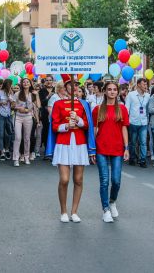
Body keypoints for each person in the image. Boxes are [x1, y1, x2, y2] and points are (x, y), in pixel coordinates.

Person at [47, 74, 96, 223]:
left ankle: (74, 211)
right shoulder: (58, 104)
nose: (73, 87)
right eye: (70, 85)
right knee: (64, 179)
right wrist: (66, 126)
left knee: (78, 179)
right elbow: (54, 126)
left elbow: (88, 125)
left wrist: (80, 121)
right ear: (65, 87)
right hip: (64, 143)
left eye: (76, 85)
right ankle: (63, 211)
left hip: (79, 143)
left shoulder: (84, 104)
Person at [92, 82, 129, 223]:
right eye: (109, 89)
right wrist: (92, 150)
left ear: (118, 92)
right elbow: (94, 130)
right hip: (101, 147)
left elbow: (124, 128)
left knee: (116, 180)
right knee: (104, 181)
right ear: (105, 91)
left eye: (114, 89)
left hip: (118, 148)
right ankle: (106, 209)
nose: (112, 92)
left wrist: (127, 147)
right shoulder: (97, 109)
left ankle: (112, 201)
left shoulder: (122, 109)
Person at [12, 78, 40, 166]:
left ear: (30, 84)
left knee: (27, 138)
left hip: (28, 117)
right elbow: (12, 106)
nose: (25, 83)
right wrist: (19, 108)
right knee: (18, 137)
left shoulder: (33, 94)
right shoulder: (17, 94)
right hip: (18, 117)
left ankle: (26, 157)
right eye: (24, 82)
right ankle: (16, 158)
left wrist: (37, 95)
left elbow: (38, 106)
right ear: (21, 84)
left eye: (27, 82)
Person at [125, 78, 149, 168]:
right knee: (133, 142)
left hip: (143, 122)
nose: (145, 86)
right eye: (144, 84)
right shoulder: (131, 95)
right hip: (133, 122)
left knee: (143, 142)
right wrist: (126, 121)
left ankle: (143, 160)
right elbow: (127, 108)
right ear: (138, 84)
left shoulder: (147, 96)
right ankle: (132, 158)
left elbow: (147, 109)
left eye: (146, 84)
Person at [0, 78, 14, 160]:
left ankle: (7, 149)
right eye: (9, 84)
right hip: (0, 114)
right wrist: (1, 103)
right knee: (1, 133)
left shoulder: (11, 92)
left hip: (8, 114)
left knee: (9, 133)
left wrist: (11, 102)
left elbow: (13, 105)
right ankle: (2, 151)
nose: (10, 86)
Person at [39, 75, 54, 154]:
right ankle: (46, 149)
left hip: (55, 112)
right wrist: (48, 96)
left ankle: (53, 149)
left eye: (50, 80)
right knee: (46, 130)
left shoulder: (56, 90)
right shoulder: (42, 91)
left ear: (52, 81)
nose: (49, 82)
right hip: (45, 113)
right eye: (47, 80)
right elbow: (41, 102)